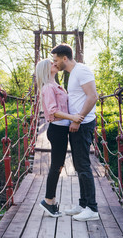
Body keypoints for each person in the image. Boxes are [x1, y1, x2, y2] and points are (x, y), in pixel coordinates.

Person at [51, 44, 99, 221]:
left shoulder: (82, 71)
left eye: (56, 60)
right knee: (79, 165)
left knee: (83, 165)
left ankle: (92, 209)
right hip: (77, 124)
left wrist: (78, 119)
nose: (55, 63)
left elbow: (93, 96)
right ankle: (83, 204)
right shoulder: (72, 75)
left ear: (65, 58)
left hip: (82, 124)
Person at [36, 59, 84, 218]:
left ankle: (51, 200)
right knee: (56, 166)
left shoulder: (56, 85)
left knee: (58, 165)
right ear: (45, 69)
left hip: (62, 129)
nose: (55, 63)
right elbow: (52, 110)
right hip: (57, 129)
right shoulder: (49, 87)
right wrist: (73, 117)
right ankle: (48, 201)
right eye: (51, 63)